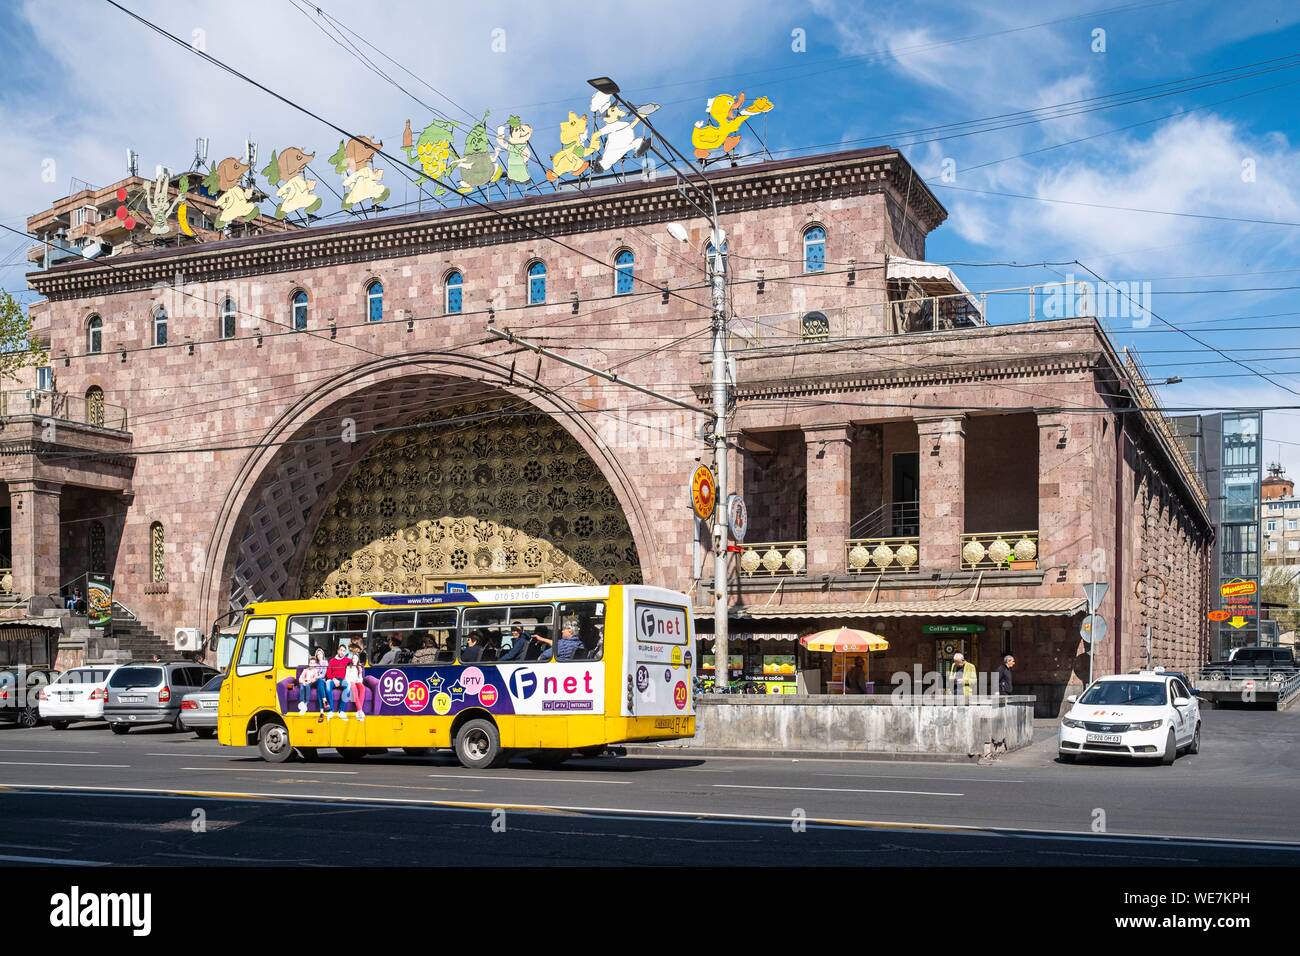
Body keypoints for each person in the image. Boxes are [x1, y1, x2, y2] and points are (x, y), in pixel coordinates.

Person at [321, 643, 352, 720]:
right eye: (341, 650)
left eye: (344, 651)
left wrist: (359, 668)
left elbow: (355, 661)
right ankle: (331, 710)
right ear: (338, 650)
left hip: (342, 680)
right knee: (327, 684)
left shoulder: (347, 660)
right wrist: (334, 679)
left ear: (345, 652)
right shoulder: (332, 661)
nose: (342, 652)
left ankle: (341, 711)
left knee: (348, 686)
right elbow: (328, 673)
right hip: (333, 679)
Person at [299, 647, 328, 716]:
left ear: (323, 654)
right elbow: (311, 672)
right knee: (319, 688)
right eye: (318, 655)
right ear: (316, 656)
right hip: (314, 681)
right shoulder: (315, 663)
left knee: (320, 683)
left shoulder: (325, 662)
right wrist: (307, 680)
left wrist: (316, 677)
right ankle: (324, 703)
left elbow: (323, 675)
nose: (319, 656)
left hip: (320, 680)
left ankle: (323, 705)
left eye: (320, 654)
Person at [346, 643, 368, 721]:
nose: (354, 660)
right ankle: (360, 710)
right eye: (353, 658)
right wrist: (351, 681)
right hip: (351, 682)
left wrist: (359, 677)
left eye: (356, 658)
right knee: (354, 689)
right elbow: (346, 677)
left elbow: (360, 678)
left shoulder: (359, 667)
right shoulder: (349, 667)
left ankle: (359, 711)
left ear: (358, 659)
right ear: (352, 659)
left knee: (362, 688)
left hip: (356, 681)